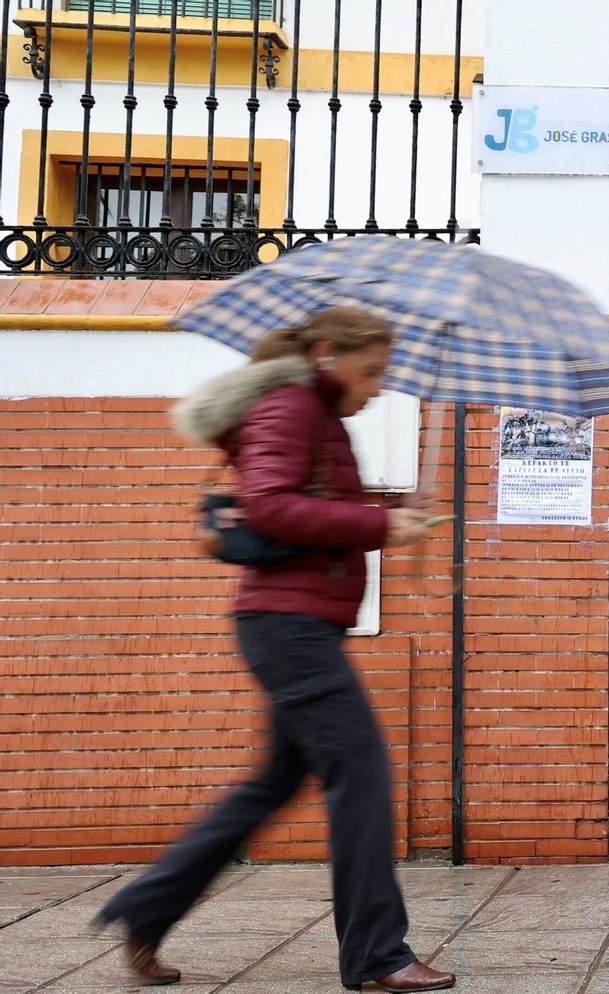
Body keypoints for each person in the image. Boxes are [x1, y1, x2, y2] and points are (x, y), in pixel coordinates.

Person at [96, 307, 455, 993]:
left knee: (273, 783)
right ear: (326, 353)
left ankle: (146, 909)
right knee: (363, 771)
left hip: (296, 624)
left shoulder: (313, 413)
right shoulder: (290, 405)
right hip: (286, 626)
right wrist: (380, 522)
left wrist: (393, 506)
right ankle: (379, 956)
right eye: (371, 370)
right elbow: (268, 506)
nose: (378, 386)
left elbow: (310, 502)